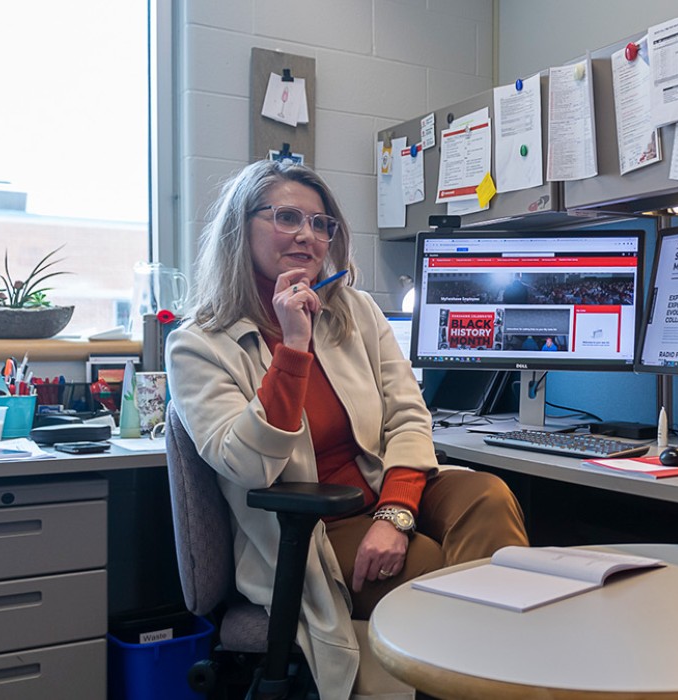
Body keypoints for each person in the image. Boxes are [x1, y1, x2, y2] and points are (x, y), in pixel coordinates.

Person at [167, 160, 529, 700]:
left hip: (384, 491)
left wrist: (395, 513)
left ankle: (497, 675)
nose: (308, 236)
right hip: (310, 523)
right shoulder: (199, 344)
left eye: (321, 224)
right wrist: (292, 346)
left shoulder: (353, 311)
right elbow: (247, 465)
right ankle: (495, 676)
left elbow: (409, 415)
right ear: (242, 228)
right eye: (288, 217)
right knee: (434, 569)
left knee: (488, 495)